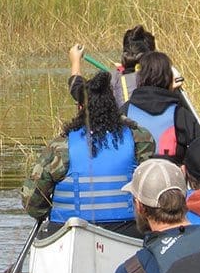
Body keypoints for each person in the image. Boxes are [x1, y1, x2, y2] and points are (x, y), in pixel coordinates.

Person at [23, 44, 155, 237]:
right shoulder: (140, 138)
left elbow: (31, 199)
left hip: (68, 229)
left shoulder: (61, 145)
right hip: (127, 229)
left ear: (81, 108)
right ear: (113, 105)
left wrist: (45, 214)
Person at [122, 50, 200, 165]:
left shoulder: (126, 110)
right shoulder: (180, 114)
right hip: (173, 178)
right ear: (168, 78)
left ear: (140, 78)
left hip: (136, 179)